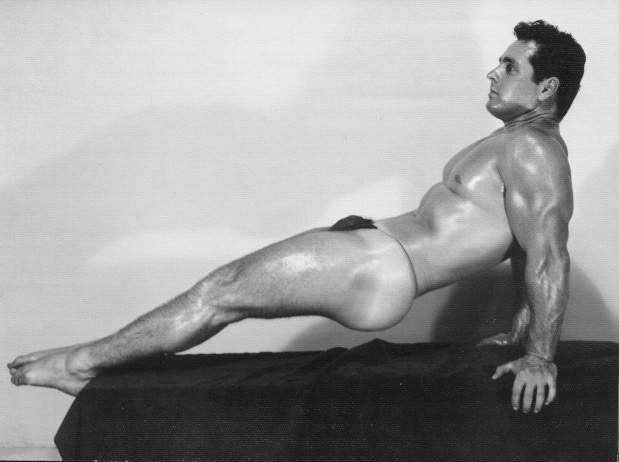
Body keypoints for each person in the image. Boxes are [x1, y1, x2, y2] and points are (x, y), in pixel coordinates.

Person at [8, 20, 585, 415]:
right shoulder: (516, 144)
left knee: (218, 292)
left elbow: (547, 255)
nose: (493, 73)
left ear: (547, 88)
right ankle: (87, 360)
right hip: (378, 254)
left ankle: (80, 365)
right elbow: (523, 246)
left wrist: (539, 356)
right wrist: (518, 331)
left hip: (383, 268)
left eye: (510, 66)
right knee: (222, 294)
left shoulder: (532, 151)